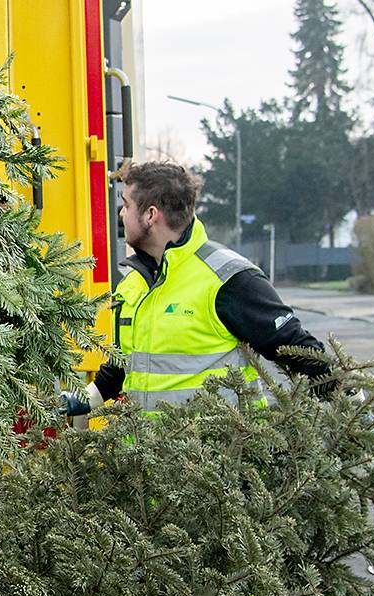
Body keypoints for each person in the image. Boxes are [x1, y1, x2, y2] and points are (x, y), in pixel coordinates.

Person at [69, 159, 332, 416]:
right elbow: (123, 367)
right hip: (148, 457)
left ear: (151, 215)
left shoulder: (228, 278)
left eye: (126, 205)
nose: (121, 214)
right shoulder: (134, 284)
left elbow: (299, 350)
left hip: (223, 455)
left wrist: (354, 408)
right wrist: (83, 399)